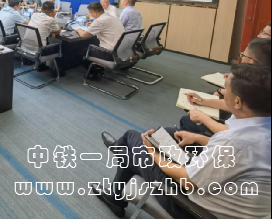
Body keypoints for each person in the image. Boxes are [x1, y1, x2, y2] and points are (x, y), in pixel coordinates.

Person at [95, 64, 271, 219]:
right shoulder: (261, 127)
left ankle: (123, 157)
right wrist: (199, 138)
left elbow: (188, 181)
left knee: (132, 138)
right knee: (170, 134)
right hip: (228, 193)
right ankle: (122, 173)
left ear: (238, 102)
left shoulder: (232, 142)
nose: (222, 93)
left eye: (225, 90)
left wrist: (153, 153)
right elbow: (237, 156)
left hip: (191, 208)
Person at [180, 38, 272, 135]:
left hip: (232, 133)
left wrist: (202, 118)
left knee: (186, 121)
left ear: (251, 62)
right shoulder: (262, 82)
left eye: (243, 55)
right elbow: (234, 104)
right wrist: (203, 101)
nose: (241, 58)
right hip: (234, 128)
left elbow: (236, 135)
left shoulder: (256, 88)